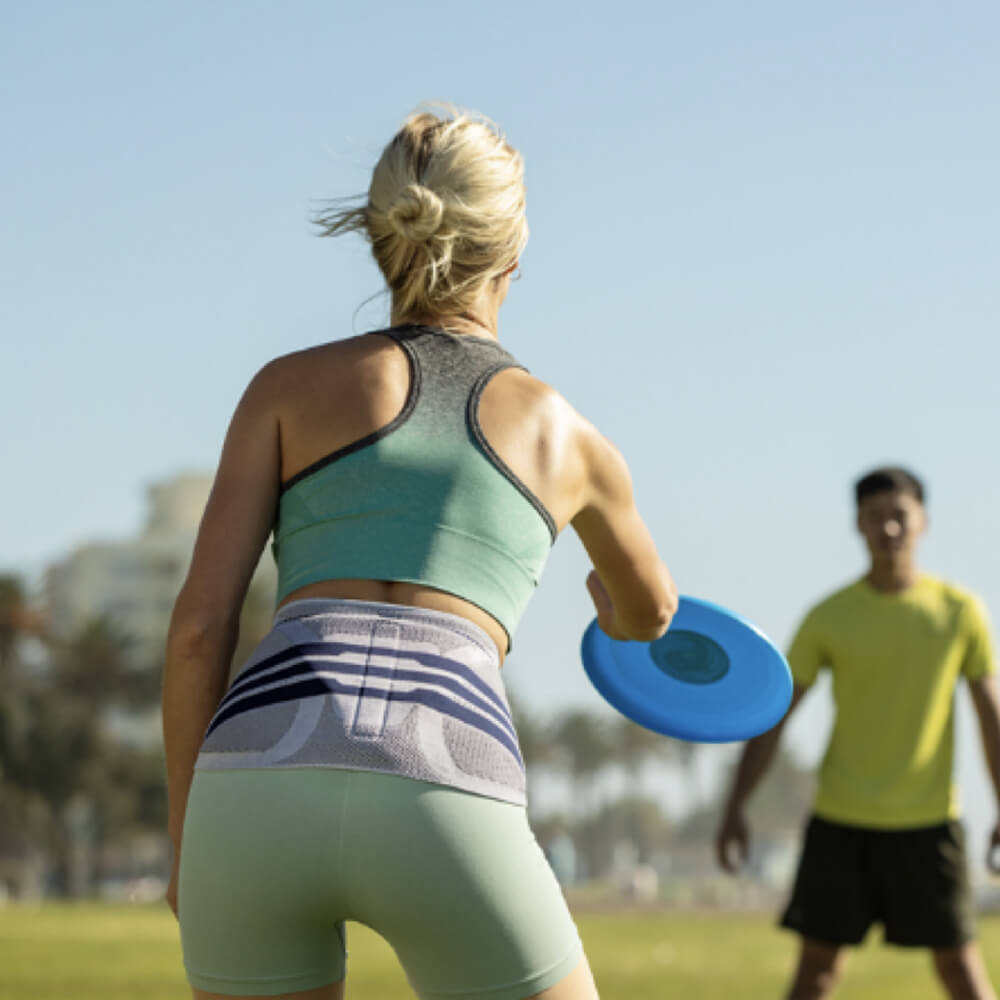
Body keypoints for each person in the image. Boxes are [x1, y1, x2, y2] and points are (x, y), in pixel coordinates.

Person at [161, 106, 677, 1000]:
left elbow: (200, 632)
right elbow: (653, 615)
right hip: (444, 778)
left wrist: (187, 839)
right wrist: (616, 608)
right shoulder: (571, 438)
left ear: (379, 237)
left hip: (256, 773)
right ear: (513, 257)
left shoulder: (283, 388)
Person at [714, 466, 1000, 1000]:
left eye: (899, 516)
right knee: (816, 974)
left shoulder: (960, 613)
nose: (889, 529)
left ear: (923, 522)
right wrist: (735, 806)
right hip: (842, 823)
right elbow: (775, 717)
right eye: (875, 518)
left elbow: (992, 718)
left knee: (962, 971)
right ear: (858, 525)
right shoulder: (829, 617)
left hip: (930, 822)